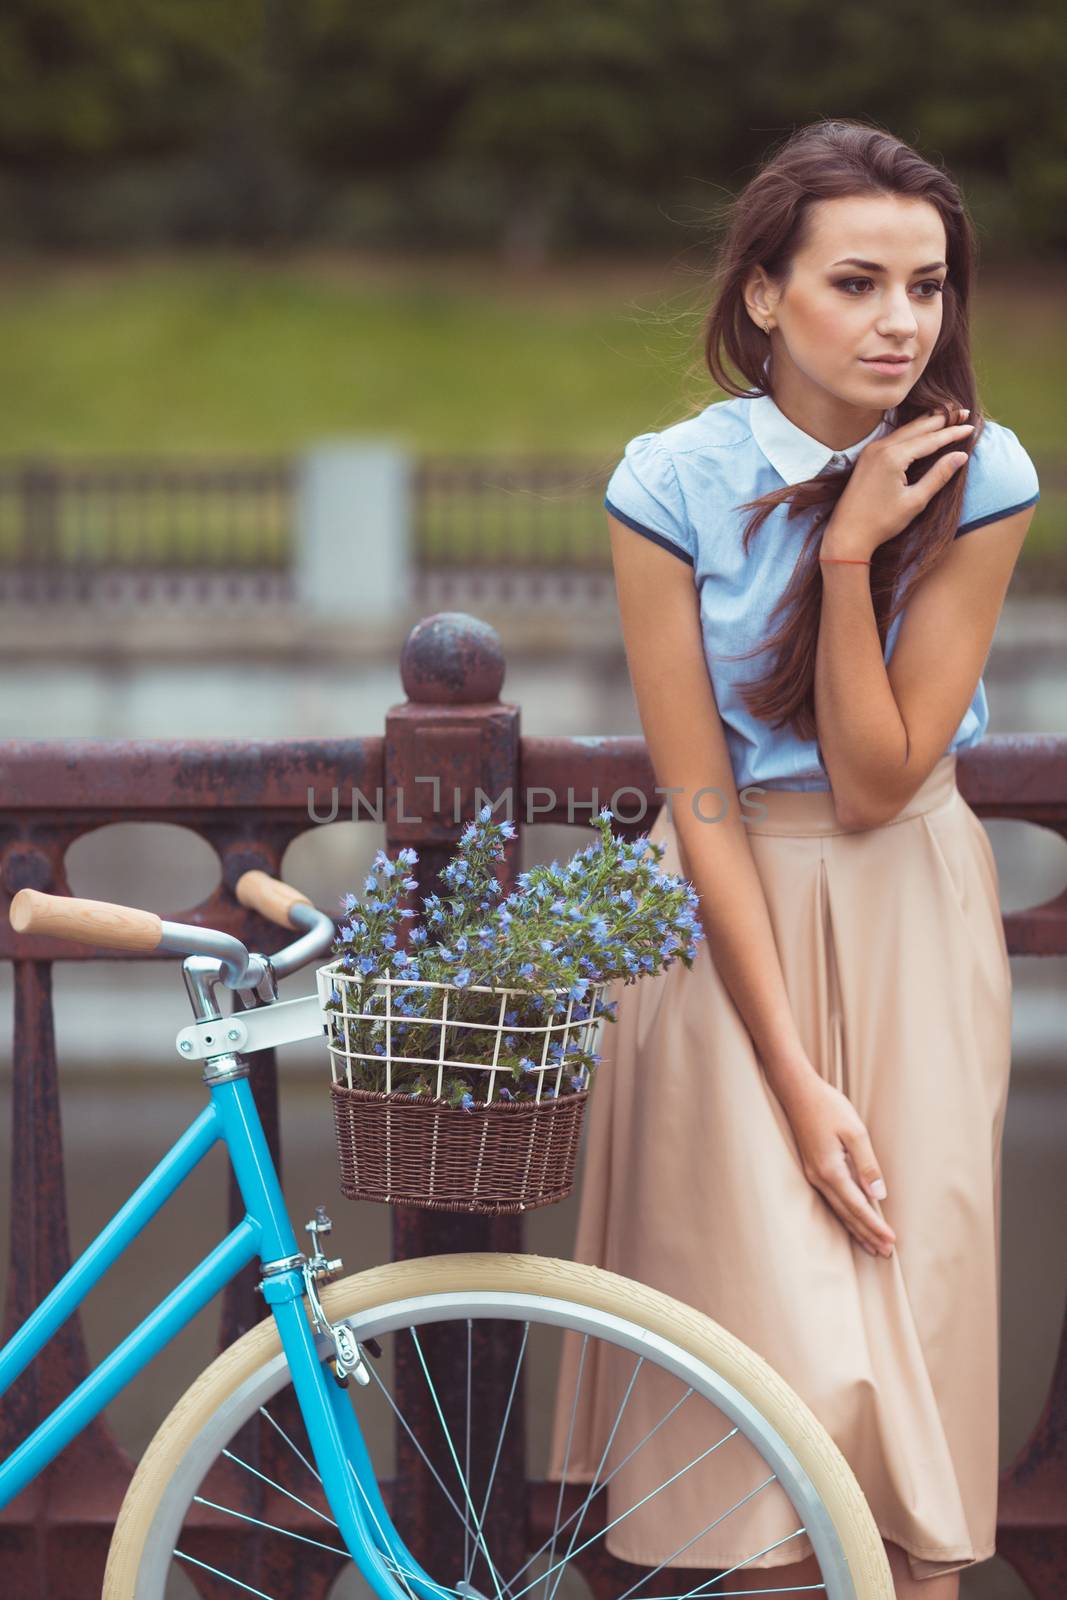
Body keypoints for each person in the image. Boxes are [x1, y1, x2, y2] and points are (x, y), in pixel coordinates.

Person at [546, 117, 1040, 1598]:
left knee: (905, 1408)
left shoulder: (980, 472)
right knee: (745, 1412)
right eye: (857, 283)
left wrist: (842, 560)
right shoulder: (669, 482)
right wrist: (791, 1073)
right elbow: (697, 799)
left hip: (907, 918)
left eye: (929, 286)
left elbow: (885, 780)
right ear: (764, 294)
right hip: (726, 929)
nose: (902, 322)